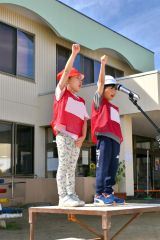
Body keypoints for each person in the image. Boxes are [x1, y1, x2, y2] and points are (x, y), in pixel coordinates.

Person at [51, 44, 89, 207]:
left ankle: (71, 195)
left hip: (76, 139)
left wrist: (83, 137)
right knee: (64, 165)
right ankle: (63, 196)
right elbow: (66, 72)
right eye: (77, 78)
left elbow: (85, 121)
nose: (81, 81)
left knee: (72, 167)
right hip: (64, 135)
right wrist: (74, 54)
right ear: (67, 81)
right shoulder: (61, 93)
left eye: (81, 79)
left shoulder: (81, 101)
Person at [91, 55, 125, 205]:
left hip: (115, 140)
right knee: (103, 166)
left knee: (113, 167)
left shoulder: (115, 108)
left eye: (115, 89)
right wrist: (103, 65)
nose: (113, 92)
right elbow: (100, 83)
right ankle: (99, 194)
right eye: (110, 88)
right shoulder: (99, 102)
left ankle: (108, 192)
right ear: (103, 89)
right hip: (104, 137)